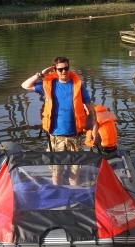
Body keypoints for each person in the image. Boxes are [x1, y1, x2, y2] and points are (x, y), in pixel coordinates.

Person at [21, 56, 97, 185]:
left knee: (75, 172)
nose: (63, 72)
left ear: (69, 68)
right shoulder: (48, 85)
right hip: (56, 136)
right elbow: (25, 85)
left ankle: (74, 197)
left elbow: (90, 108)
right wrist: (41, 74)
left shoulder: (78, 85)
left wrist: (94, 129)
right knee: (57, 172)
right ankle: (57, 194)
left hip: (75, 136)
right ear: (55, 70)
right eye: (60, 69)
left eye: (66, 68)